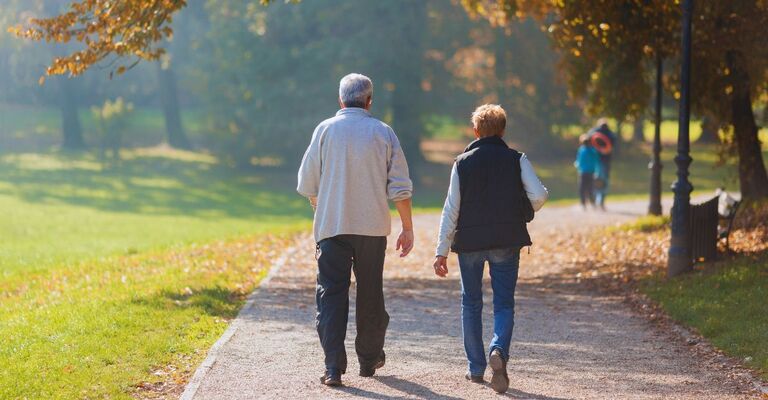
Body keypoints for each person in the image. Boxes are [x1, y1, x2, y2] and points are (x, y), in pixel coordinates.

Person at [297, 73, 414, 387]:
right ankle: (369, 359)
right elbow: (400, 188)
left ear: (340, 100)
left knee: (331, 295)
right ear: (369, 101)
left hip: (332, 228)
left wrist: (323, 208)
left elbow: (308, 184)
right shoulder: (383, 132)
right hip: (372, 228)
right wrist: (407, 227)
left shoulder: (324, 130)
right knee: (370, 293)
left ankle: (333, 367)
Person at [432, 104, 548, 394]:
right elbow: (539, 195)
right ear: (503, 130)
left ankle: (475, 368)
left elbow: (451, 210)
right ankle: (499, 350)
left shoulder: (462, 163)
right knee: (504, 303)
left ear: (475, 131)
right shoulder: (516, 159)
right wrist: (521, 210)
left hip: (470, 243)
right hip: (506, 240)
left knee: (470, 303)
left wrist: (441, 251)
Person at [587, 118, 617, 209]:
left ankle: (595, 200)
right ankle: (600, 201)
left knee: (595, 180)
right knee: (604, 181)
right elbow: (613, 143)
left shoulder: (593, 132)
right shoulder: (610, 134)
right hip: (605, 161)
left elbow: (587, 138)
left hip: (594, 161)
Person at [574, 134, 602, 210]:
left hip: (583, 172)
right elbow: (597, 161)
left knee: (582, 189)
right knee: (590, 188)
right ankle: (592, 203)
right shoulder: (593, 151)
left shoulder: (581, 150)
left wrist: (577, 166)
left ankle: (583, 204)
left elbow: (578, 162)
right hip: (591, 172)